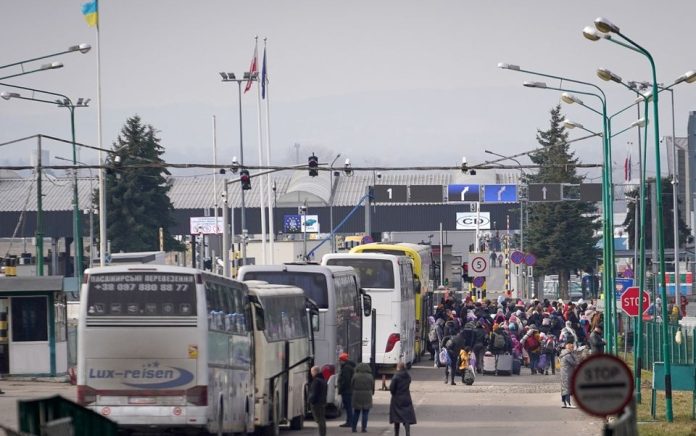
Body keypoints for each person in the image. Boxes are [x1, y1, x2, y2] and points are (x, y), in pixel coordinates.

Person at [389, 361, 416, 436]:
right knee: (406, 417)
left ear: (398, 367)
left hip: (397, 399)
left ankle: (396, 434)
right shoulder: (407, 376)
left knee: (396, 418)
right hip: (406, 397)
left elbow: (392, 388)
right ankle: (407, 433)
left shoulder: (396, 376)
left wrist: (393, 393)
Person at [351, 362, 374, 433]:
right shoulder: (370, 376)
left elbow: (352, 385)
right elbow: (372, 386)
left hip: (357, 395)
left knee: (356, 412)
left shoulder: (355, 376)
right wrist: (372, 393)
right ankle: (363, 428)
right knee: (365, 412)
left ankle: (354, 428)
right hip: (367, 395)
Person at [559, 340, 580, 408]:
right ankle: (568, 403)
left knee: (564, 387)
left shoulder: (563, 353)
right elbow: (574, 363)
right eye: (572, 348)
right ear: (569, 348)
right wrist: (575, 356)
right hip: (567, 372)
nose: (573, 349)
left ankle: (564, 403)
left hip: (564, 372)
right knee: (567, 387)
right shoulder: (568, 355)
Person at [338, 352, 356, 427]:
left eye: (340, 360)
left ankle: (350, 422)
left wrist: (341, 388)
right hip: (349, 390)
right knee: (349, 407)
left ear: (343, 360)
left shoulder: (346, 368)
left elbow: (346, 380)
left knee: (348, 407)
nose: (339, 362)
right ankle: (350, 422)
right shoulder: (349, 367)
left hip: (346, 391)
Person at [309, 366, 327, 436]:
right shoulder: (323, 380)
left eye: (312, 372)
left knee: (320, 420)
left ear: (315, 371)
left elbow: (314, 393)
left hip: (317, 403)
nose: (311, 374)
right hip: (322, 402)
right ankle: (323, 434)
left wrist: (310, 400)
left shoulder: (316, 381)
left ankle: (322, 434)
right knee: (321, 419)